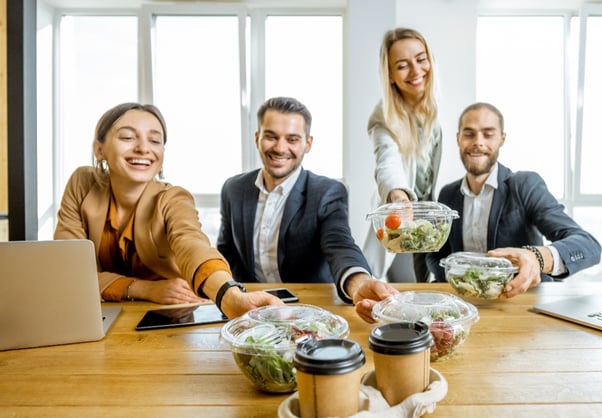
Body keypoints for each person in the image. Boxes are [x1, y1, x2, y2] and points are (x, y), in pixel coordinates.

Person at [54, 102, 283, 319]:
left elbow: (193, 246)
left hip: (166, 317)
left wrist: (229, 296)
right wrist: (147, 289)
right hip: (94, 316)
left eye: (154, 141)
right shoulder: (82, 183)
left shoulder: (173, 198)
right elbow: (67, 272)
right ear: (99, 149)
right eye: (127, 137)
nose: (143, 148)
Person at [216, 96, 397, 323]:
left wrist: (358, 282)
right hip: (250, 313)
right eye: (271, 136)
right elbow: (226, 252)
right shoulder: (233, 189)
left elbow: (339, 244)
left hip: (310, 313)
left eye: (292, 139)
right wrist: (230, 293)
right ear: (257, 138)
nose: (280, 148)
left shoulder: (327, 192)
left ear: (308, 144)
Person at [426, 102, 602, 297]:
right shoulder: (447, 194)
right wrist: (458, 279)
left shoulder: (525, 185)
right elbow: (436, 255)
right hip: (467, 304)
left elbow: (588, 245)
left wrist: (536, 258)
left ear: (502, 139)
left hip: (522, 305)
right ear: (458, 139)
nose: (478, 142)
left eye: (488, 134)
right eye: (469, 134)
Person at [362, 27, 442, 283]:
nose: (416, 71)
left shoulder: (442, 106)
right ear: (391, 76)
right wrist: (398, 196)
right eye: (402, 65)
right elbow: (387, 159)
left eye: (421, 59)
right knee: (405, 290)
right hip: (405, 222)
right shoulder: (383, 115)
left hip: (438, 224)